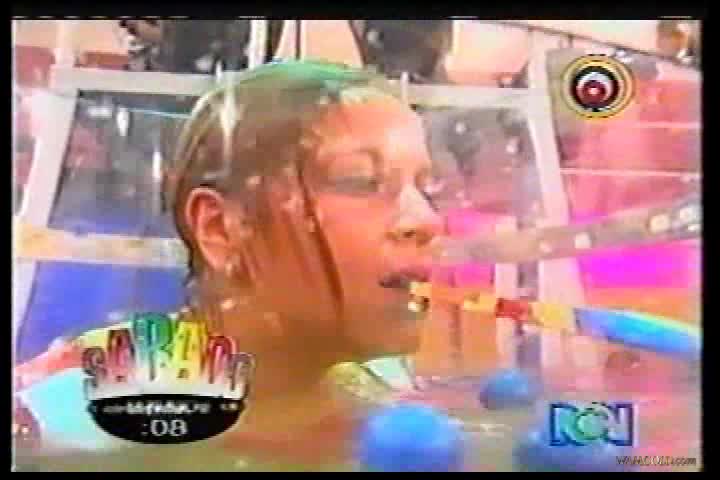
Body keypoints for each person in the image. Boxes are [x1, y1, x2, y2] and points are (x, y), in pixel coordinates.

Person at [13, 60, 445, 470]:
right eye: (360, 181)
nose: (426, 221)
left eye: (426, 187)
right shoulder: (72, 420)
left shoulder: (389, 391)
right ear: (220, 229)